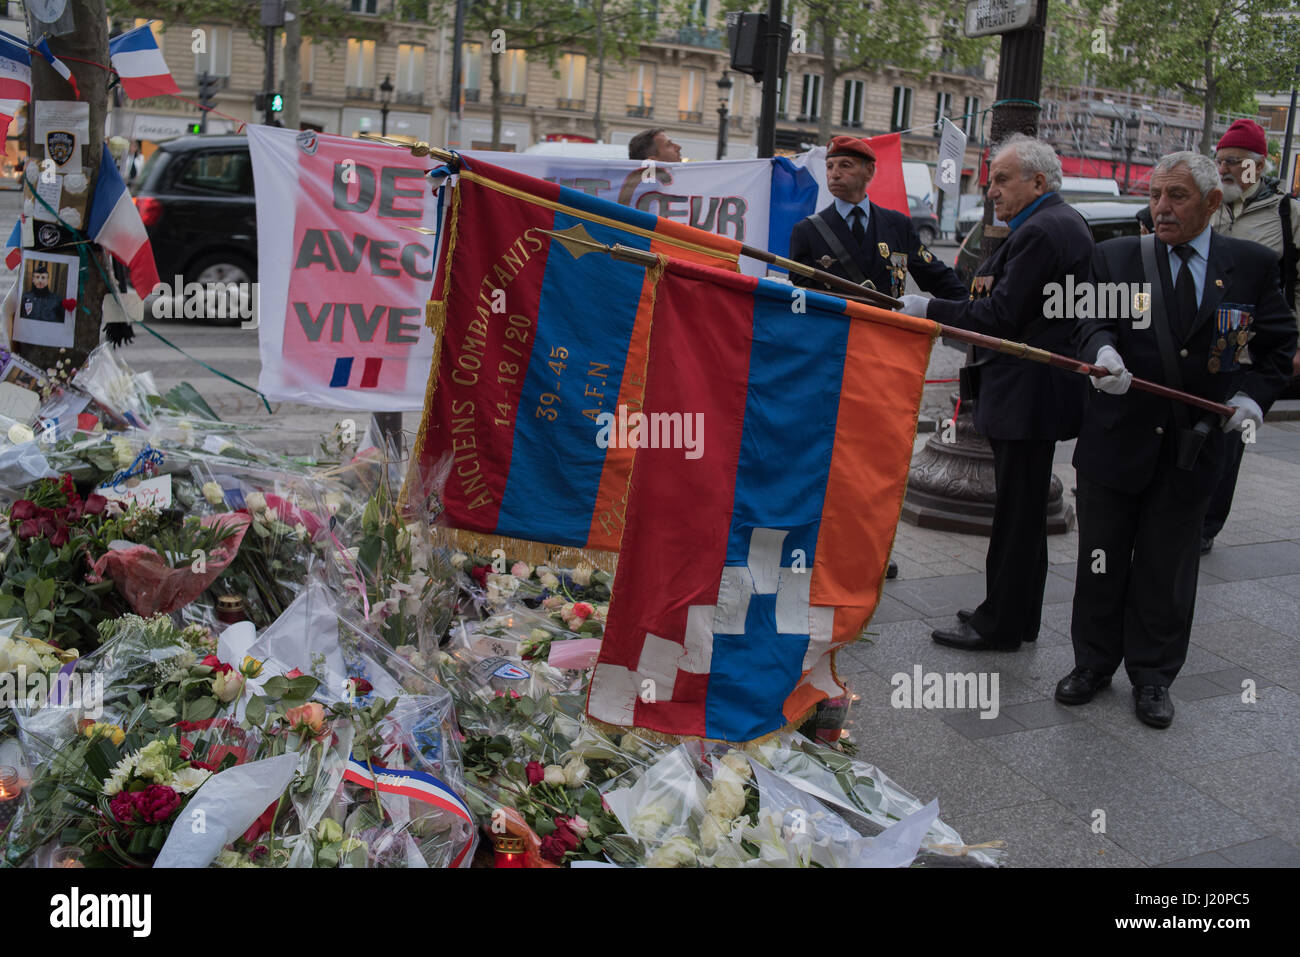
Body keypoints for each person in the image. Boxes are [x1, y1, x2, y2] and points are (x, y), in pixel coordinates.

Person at [1056, 151, 1297, 728]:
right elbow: (1089, 322)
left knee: (1168, 566)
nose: (1161, 207)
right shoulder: (1116, 258)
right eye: (1157, 194)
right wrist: (1101, 353)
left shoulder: (1252, 265)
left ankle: (1153, 676)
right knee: (1100, 559)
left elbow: (1278, 347)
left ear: (1214, 202)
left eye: (1178, 196)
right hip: (1117, 441)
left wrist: (1249, 398)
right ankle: (1091, 663)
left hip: (1195, 447)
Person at [896, 133, 1091, 651]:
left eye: (1002, 179)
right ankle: (1015, 614)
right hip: (1033, 392)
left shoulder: (1042, 232)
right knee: (1023, 513)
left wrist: (928, 310)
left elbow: (999, 317)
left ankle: (999, 623)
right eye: (990, 181)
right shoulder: (1055, 224)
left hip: (1027, 393)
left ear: (1039, 181)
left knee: (1016, 516)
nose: (992, 192)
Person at [1200, 119, 1300, 554]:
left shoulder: (1287, 213)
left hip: (1255, 347)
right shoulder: (1210, 205)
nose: (1223, 168)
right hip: (1203, 339)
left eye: (1234, 162)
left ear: (1259, 166)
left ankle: (1206, 526)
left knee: (1234, 437)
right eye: (1220, 160)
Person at [789, 136, 966, 302]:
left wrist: (973, 310)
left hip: (884, 331)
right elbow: (799, 298)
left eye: (845, 165)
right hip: (835, 332)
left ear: (869, 171)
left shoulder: (898, 225)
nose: (834, 174)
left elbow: (935, 276)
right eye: (829, 166)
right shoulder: (807, 231)